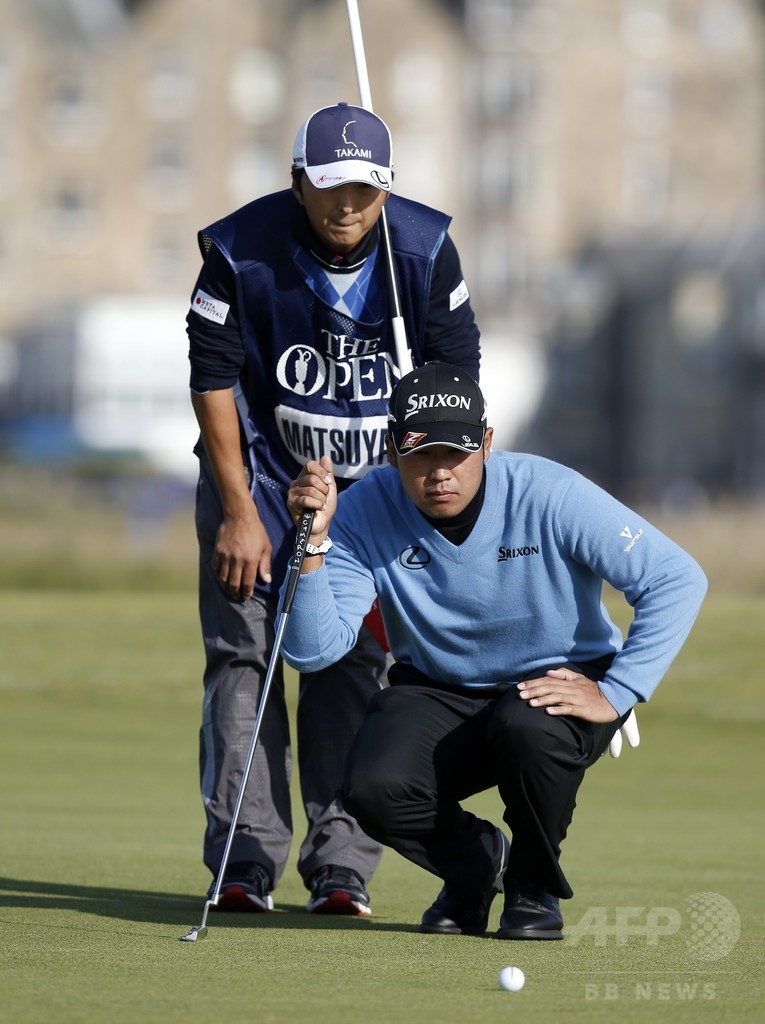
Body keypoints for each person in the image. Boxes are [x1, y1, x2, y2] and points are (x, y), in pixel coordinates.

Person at [282, 361, 707, 939]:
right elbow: (313, 652)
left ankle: (532, 888)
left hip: (559, 679)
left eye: (455, 452)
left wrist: (618, 691)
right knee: (372, 788)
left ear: (485, 443)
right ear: (391, 450)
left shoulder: (550, 492)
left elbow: (676, 578)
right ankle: (477, 865)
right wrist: (311, 545)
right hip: (437, 687)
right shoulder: (360, 512)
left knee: (526, 727)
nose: (439, 472)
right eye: (421, 454)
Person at [186, 104, 480, 916]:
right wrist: (239, 512)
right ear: (297, 183)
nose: (347, 205)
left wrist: (424, 504)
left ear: (385, 189)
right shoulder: (237, 250)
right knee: (243, 662)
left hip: (371, 502)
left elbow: (457, 382)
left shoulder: (424, 249)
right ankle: (242, 859)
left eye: (364, 188)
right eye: (329, 186)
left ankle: (341, 866)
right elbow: (211, 381)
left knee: (350, 663)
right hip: (256, 484)